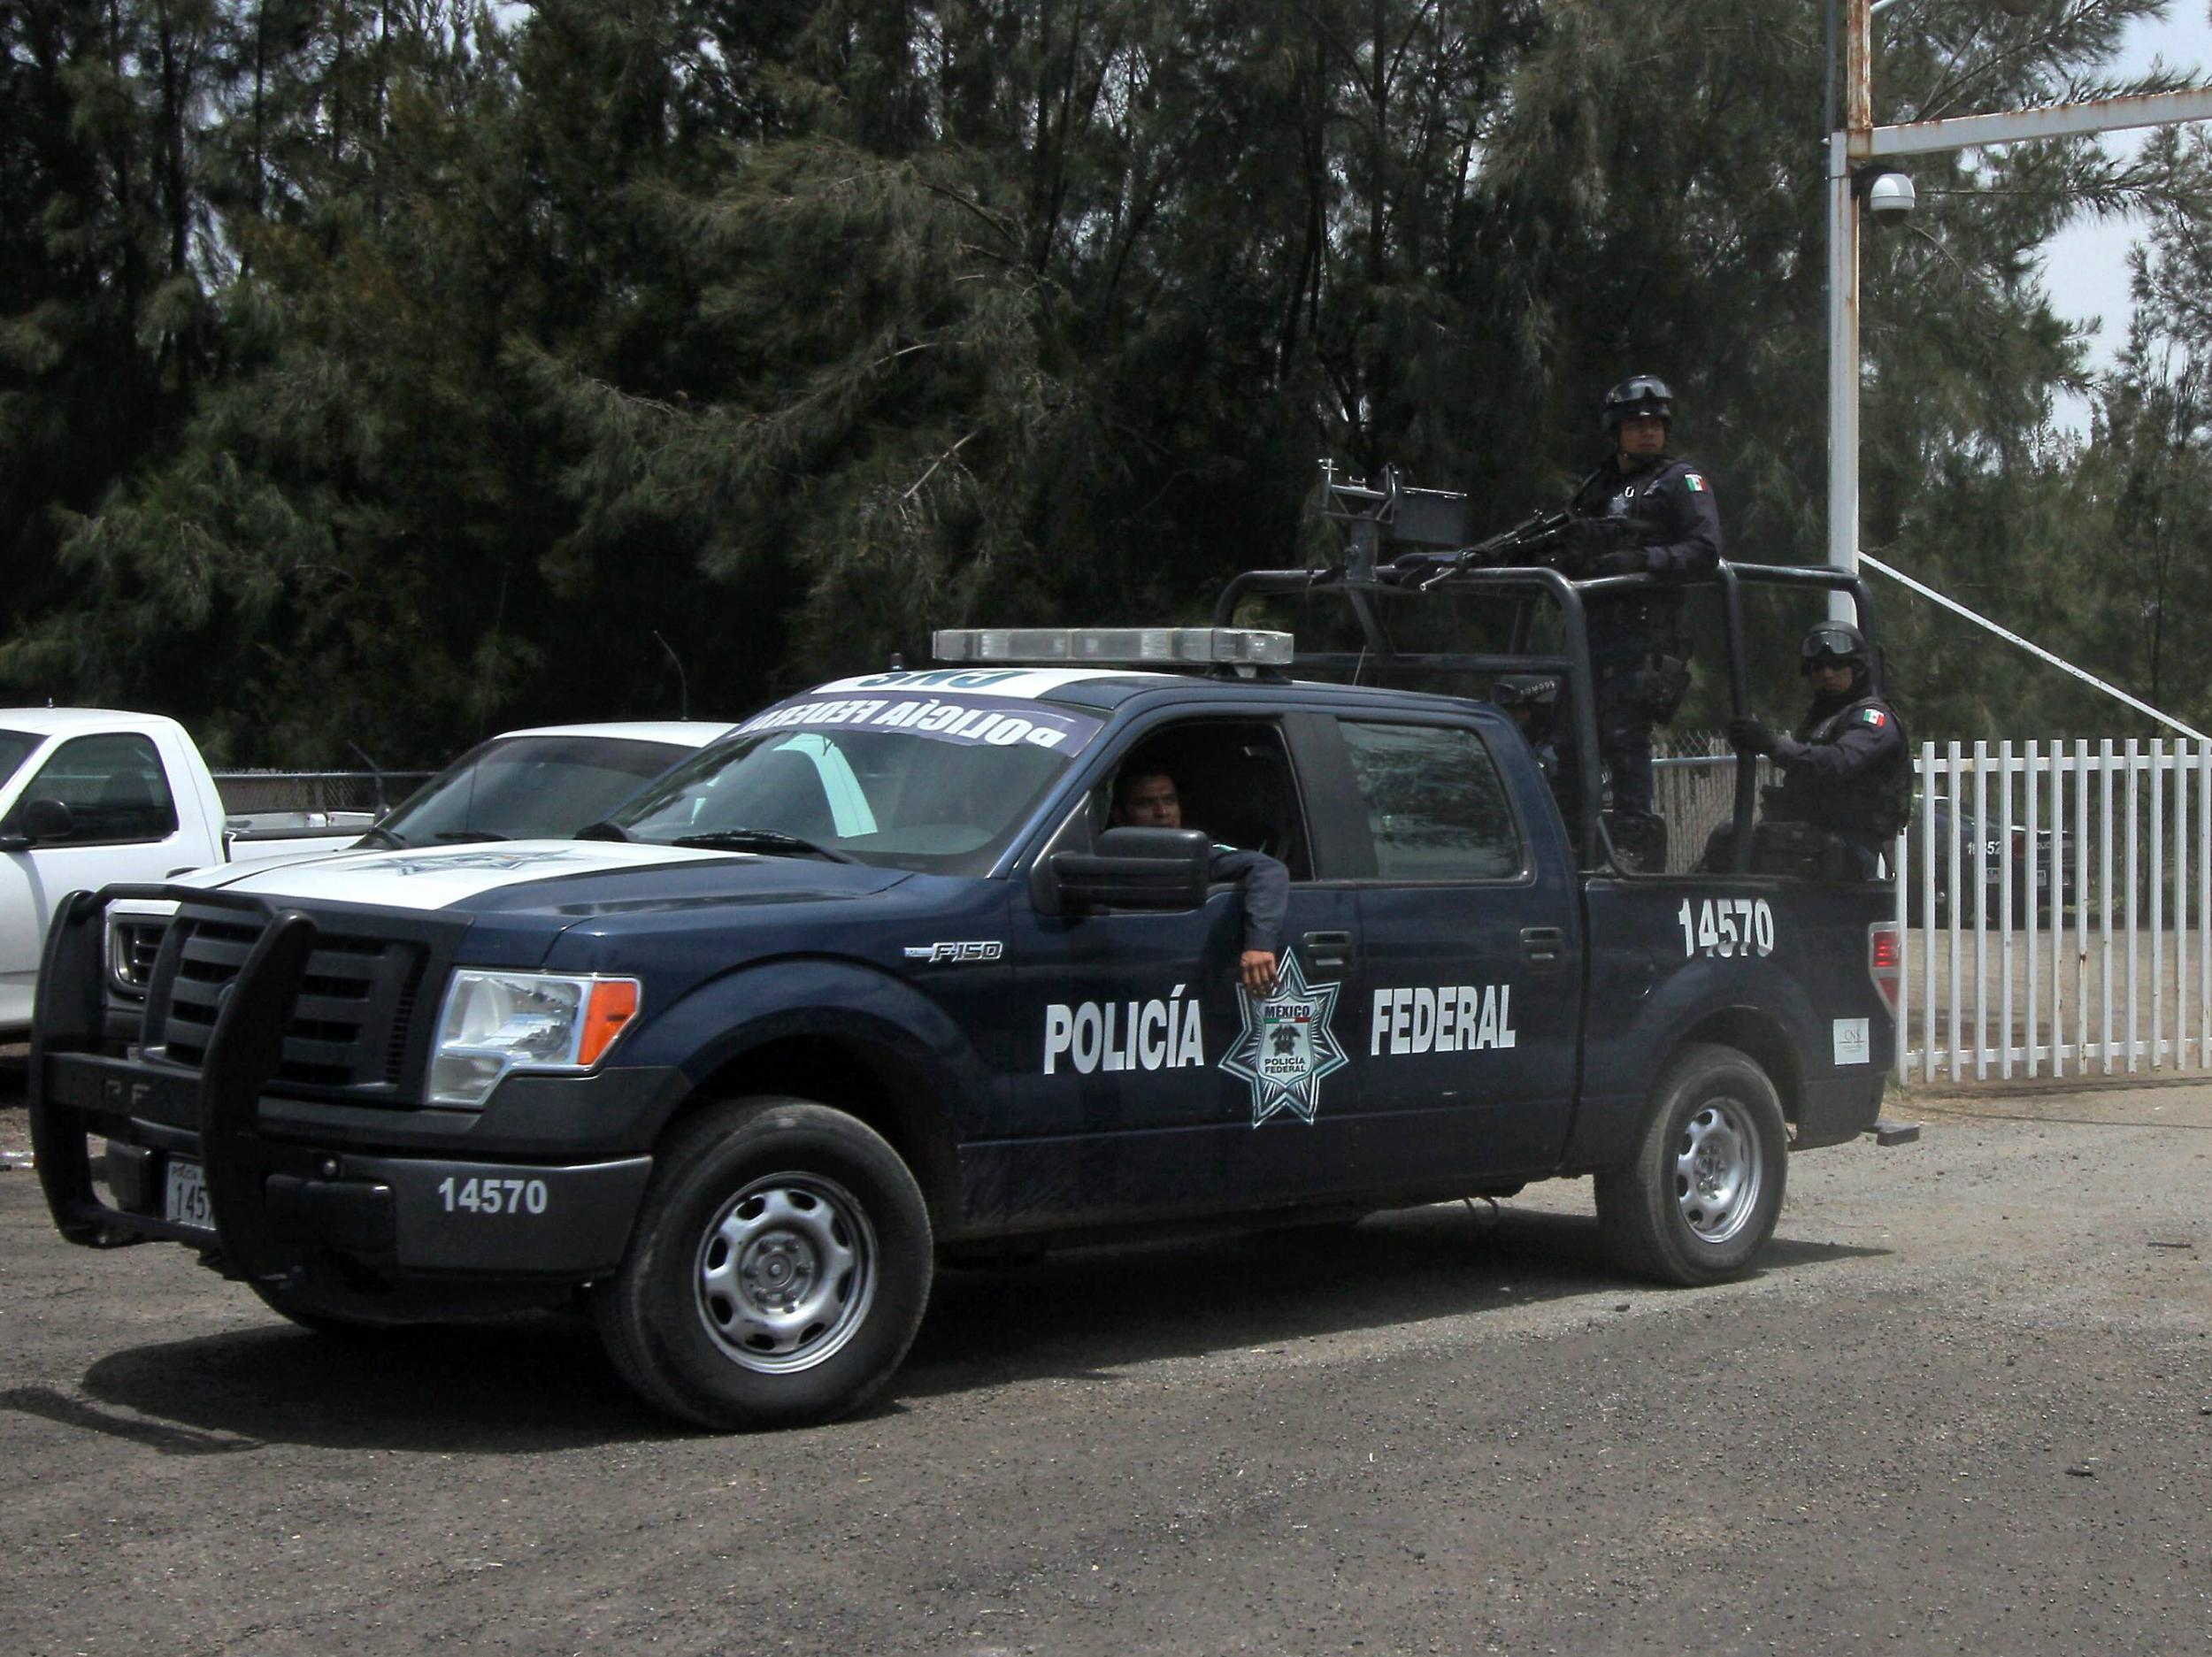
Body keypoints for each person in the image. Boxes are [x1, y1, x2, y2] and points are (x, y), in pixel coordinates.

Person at [1553, 374, 1723, 866]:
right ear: (1617, 430)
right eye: (1636, 424)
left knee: (1625, 740)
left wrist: (1645, 561)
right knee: (1565, 743)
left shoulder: (1681, 482)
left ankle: (1633, 841)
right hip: (1590, 630)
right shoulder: (1596, 486)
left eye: (1655, 423)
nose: (1648, 432)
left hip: (1644, 633)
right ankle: (1569, 840)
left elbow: (1705, 551)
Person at [1727, 621, 1910, 878]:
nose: (1827, 674)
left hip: (1850, 847)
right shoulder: (1823, 719)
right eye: (1818, 667)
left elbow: (1837, 762)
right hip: (1812, 837)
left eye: (1837, 665)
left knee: (1770, 849)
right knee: (1729, 839)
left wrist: (1771, 744)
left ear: (1856, 668)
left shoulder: (1873, 719)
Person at [1115, 766, 1287, 996]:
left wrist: (1259, 944)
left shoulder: (1194, 852)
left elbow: (1268, 869)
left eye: (1169, 800)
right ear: (1120, 814)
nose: (1162, 812)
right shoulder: (1100, 854)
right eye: (1145, 804)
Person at [1491, 674, 1561, 786]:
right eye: (1507, 710)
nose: (1510, 716)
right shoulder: (1512, 748)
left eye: (1515, 710)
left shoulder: (1554, 757)